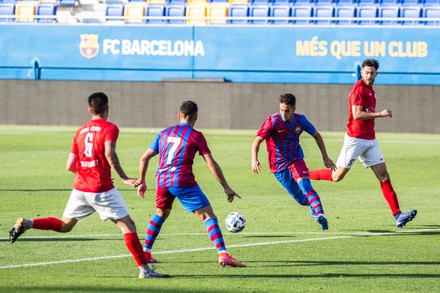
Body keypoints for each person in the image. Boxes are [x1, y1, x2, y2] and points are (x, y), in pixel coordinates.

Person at [8, 92, 168, 279]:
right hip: (101, 189)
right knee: (128, 226)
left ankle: (29, 223)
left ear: (89, 110)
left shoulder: (80, 131)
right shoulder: (109, 128)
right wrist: (124, 178)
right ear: (107, 109)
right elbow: (110, 154)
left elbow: (70, 165)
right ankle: (145, 271)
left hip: (80, 188)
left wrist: (85, 173)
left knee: (65, 225)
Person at [308, 59, 417, 228]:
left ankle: (398, 215)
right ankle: (303, 175)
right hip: (356, 139)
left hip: (370, 140)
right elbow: (357, 114)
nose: (369, 75)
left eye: (372, 73)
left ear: (376, 74)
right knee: (337, 176)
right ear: (361, 72)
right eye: (366, 72)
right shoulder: (358, 90)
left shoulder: (370, 90)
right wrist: (380, 114)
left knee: (384, 175)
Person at [137, 100, 245, 267]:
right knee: (208, 216)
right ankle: (223, 254)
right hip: (182, 180)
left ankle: (145, 252)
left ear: (179, 115)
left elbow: (144, 158)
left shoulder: (164, 133)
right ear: (196, 117)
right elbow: (211, 163)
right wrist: (226, 187)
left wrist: (142, 181)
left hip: (162, 181)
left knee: (161, 213)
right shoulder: (196, 136)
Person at [251, 93, 336, 231]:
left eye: (287, 110)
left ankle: (320, 214)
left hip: (295, 159)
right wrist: (254, 160)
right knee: (301, 200)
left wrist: (325, 157)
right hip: (278, 166)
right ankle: (313, 207)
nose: (284, 113)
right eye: (281, 110)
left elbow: (317, 136)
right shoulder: (272, 121)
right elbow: (257, 141)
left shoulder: (300, 120)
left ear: (294, 109)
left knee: (306, 185)